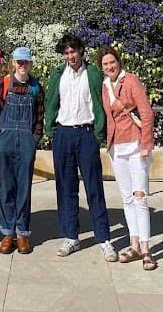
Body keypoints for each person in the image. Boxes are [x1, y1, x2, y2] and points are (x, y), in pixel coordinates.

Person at [45, 32, 118, 262]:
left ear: (80, 51)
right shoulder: (58, 74)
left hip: (86, 134)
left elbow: (101, 103)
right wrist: (51, 131)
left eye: (73, 51)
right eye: (66, 53)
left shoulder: (93, 74)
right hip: (63, 134)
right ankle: (71, 237)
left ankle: (104, 239)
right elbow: (51, 101)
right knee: (65, 188)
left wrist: (98, 135)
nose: (70, 56)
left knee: (94, 187)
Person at [98, 47, 156, 271]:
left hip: (135, 145)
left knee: (139, 197)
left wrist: (146, 145)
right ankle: (134, 245)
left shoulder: (131, 80)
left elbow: (146, 112)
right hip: (117, 147)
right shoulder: (105, 87)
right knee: (127, 198)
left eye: (112, 62)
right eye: (105, 64)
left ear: (118, 62)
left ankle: (146, 249)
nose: (109, 67)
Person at [0, 46, 44, 255]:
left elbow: (40, 117)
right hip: (6, 141)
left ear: (30, 64)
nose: (22, 65)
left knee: (24, 188)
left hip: (26, 143)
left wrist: (34, 140)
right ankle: (7, 233)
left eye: (26, 62)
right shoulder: (2, 85)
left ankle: (22, 233)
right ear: (13, 63)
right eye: (19, 62)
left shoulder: (36, 88)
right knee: (5, 187)